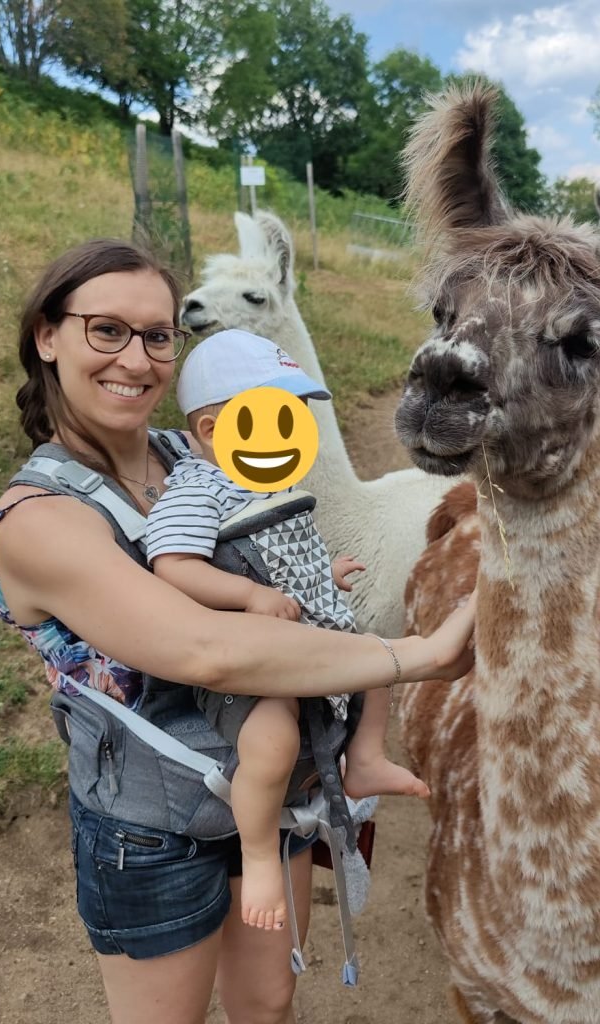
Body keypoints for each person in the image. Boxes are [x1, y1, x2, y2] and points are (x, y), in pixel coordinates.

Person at [0, 238, 475, 1024]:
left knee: (270, 1003)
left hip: (275, 799)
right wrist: (409, 655)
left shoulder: (198, 454)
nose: (137, 360)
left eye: (157, 336)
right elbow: (203, 649)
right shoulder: (40, 521)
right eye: (106, 330)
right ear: (48, 336)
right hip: (154, 833)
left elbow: (286, 545)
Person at [145, 329, 431, 933]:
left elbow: (276, 557)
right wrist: (249, 594)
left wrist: (324, 572)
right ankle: (257, 855)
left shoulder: (268, 487)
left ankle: (368, 757)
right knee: (271, 739)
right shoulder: (197, 495)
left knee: (374, 658)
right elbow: (173, 568)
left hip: (292, 639)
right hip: (244, 662)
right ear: (212, 432)